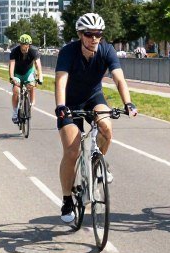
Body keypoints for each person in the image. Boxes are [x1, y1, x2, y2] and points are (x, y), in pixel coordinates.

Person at [54, 12, 138, 223]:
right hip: (70, 103)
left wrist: (128, 103)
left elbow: (119, 78)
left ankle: (96, 162)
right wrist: (61, 106)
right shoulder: (68, 52)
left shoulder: (107, 50)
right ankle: (66, 201)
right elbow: (61, 81)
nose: (94, 38)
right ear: (80, 34)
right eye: (89, 34)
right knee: (72, 149)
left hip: (93, 97)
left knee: (107, 128)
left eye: (98, 34)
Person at [8, 33, 43, 124]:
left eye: (27, 45)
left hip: (29, 72)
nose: (25, 47)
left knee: (31, 84)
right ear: (20, 44)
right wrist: (12, 77)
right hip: (17, 73)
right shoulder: (14, 51)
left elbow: (38, 65)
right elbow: (11, 65)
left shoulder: (33, 51)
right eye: (23, 45)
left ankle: (31, 103)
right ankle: (15, 112)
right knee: (16, 90)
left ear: (29, 45)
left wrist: (40, 77)